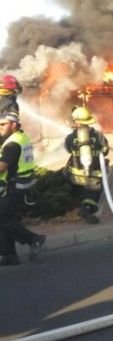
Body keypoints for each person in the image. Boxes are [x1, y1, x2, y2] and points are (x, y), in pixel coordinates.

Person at [0, 111, 46, 266]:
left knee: (3, 218)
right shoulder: (22, 137)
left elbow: (2, 167)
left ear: (14, 124)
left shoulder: (12, 144)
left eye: (3, 124)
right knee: (6, 219)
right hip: (20, 185)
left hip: (13, 187)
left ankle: (34, 239)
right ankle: (9, 255)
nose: (0, 127)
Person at [64, 105, 109, 224]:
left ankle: (80, 206)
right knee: (93, 196)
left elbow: (68, 149)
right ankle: (86, 209)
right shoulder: (98, 135)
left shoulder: (70, 137)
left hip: (75, 176)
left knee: (79, 193)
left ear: (76, 121)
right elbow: (105, 151)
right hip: (93, 176)